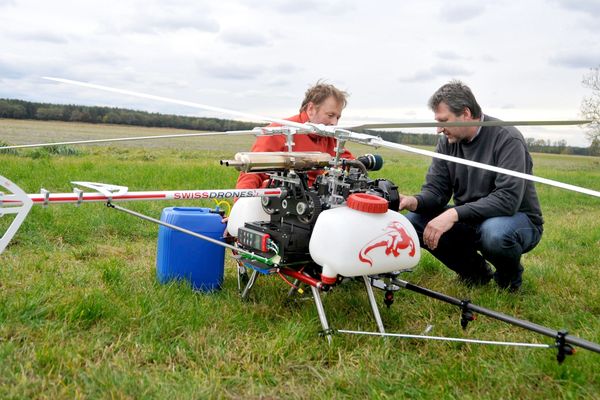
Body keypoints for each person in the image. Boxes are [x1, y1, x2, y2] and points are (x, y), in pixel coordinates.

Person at [399, 80, 543, 291]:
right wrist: (413, 201)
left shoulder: (507, 138)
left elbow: (507, 200)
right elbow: (437, 192)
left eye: (444, 121)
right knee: (414, 222)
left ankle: (509, 280)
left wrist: (452, 214)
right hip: (470, 218)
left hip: (516, 219)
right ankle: (475, 273)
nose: (439, 129)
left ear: (465, 113)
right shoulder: (447, 143)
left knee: (494, 233)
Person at [236, 81, 354, 189]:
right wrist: (242, 206)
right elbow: (251, 174)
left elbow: (351, 163)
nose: (334, 122)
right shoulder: (278, 132)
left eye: (337, 117)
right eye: (330, 115)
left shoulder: (330, 136)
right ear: (311, 109)